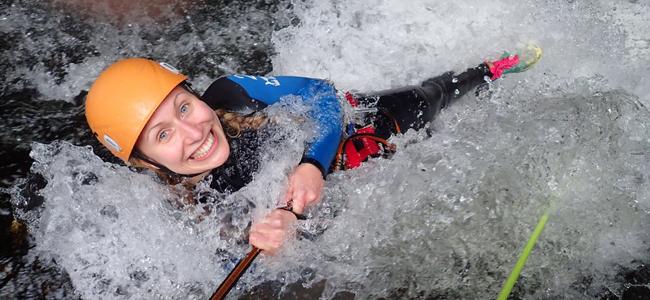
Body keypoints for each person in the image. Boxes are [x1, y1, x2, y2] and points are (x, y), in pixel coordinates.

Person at [84, 44, 542, 254]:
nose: (192, 133)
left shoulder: (232, 92)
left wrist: (310, 165)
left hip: (362, 128)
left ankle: (490, 70)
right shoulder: (182, 209)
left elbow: (323, 94)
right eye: (162, 135)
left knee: (429, 98)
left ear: (195, 93)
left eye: (184, 107)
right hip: (357, 186)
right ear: (145, 162)